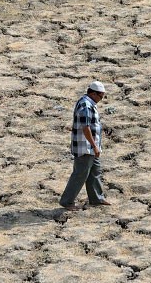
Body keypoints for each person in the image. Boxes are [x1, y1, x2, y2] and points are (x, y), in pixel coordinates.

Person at [59, 81, 111, 211]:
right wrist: (94, 145)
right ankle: (67, 201)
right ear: (93, 93)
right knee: (80, 174)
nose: (101, 99)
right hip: (86, 147)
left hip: (91, 148)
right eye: (101, 96)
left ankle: (96, 199)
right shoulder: (86, 105)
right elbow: (85, 127)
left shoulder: (88, 103)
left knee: (95, 171)